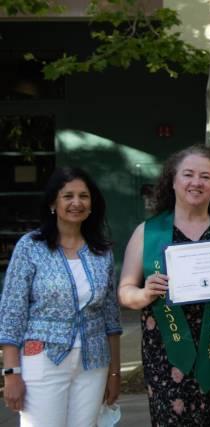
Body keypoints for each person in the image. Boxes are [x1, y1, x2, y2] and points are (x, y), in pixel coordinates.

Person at [117, 145, 210, 426]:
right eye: (188, 174)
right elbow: (125, 292)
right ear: (173, 180)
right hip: (167, 353)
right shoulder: (148, 232)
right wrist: (145, 293)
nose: (196, 182)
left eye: (206, 176)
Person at [0, 167, 121, 426]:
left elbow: (111, 318)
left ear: (92, 204)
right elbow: (12, 312)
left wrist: (114, 373)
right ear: (54, 202)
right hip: (43, 359)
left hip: (93, 363)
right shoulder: (31, 247)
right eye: (68, 196)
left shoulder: (102, 252)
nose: (76, 203)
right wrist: (11, 373)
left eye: (84, 196)